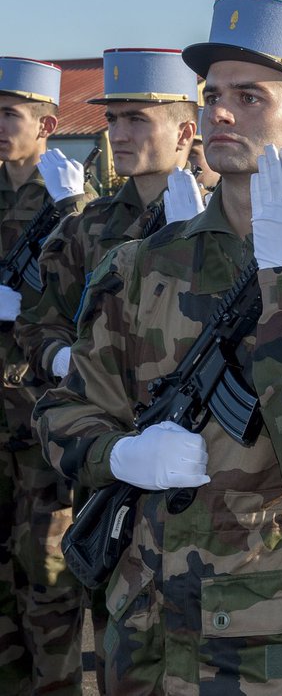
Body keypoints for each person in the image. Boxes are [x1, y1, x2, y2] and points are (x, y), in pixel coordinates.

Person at [34, 0, 282, 694]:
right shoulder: (142, 264)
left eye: (248, 97)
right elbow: (63, 415)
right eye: (212, 94)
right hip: (153, 631)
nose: (217, 111)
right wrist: (120, 452)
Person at [13, 47, 203, 692]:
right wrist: (64, 358)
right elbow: (38, 323)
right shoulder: (90, 225)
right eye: (113, 119)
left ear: (185, 129)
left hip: (202, 471)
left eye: (136, 119)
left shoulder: (233, 223)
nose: (118, 134)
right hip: (109, 462)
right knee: (117, 633)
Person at [0, 55, 93, 694]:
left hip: (37, 428)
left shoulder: (71, 207)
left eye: (9, 114)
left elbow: (94, 309)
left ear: (47, 125)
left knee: (49, 581)